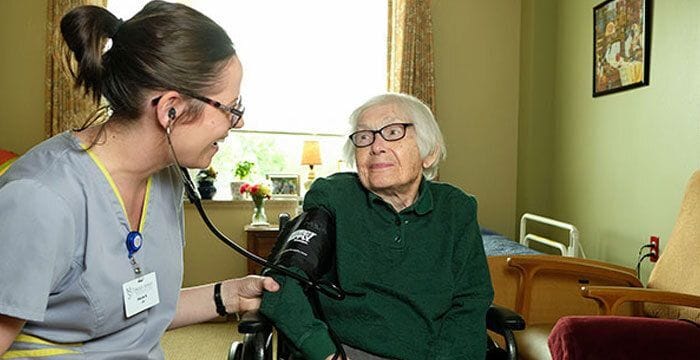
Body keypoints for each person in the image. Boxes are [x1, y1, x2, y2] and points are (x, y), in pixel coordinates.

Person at [0, 1, 279, 358]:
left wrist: (230, 295)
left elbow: (132, 311)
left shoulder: (166, 180)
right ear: (170, 110)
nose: (238, 122)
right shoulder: (42, 199)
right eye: (230, 107)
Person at [260, 93, 494, 360]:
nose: (376, 146)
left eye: (393, 131)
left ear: (429, 153)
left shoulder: (456, 208)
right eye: (364, 137)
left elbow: (470, 301)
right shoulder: (334, 198)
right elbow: (281, 280)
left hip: (434, 353)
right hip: (349, 351)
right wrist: (323, 351)